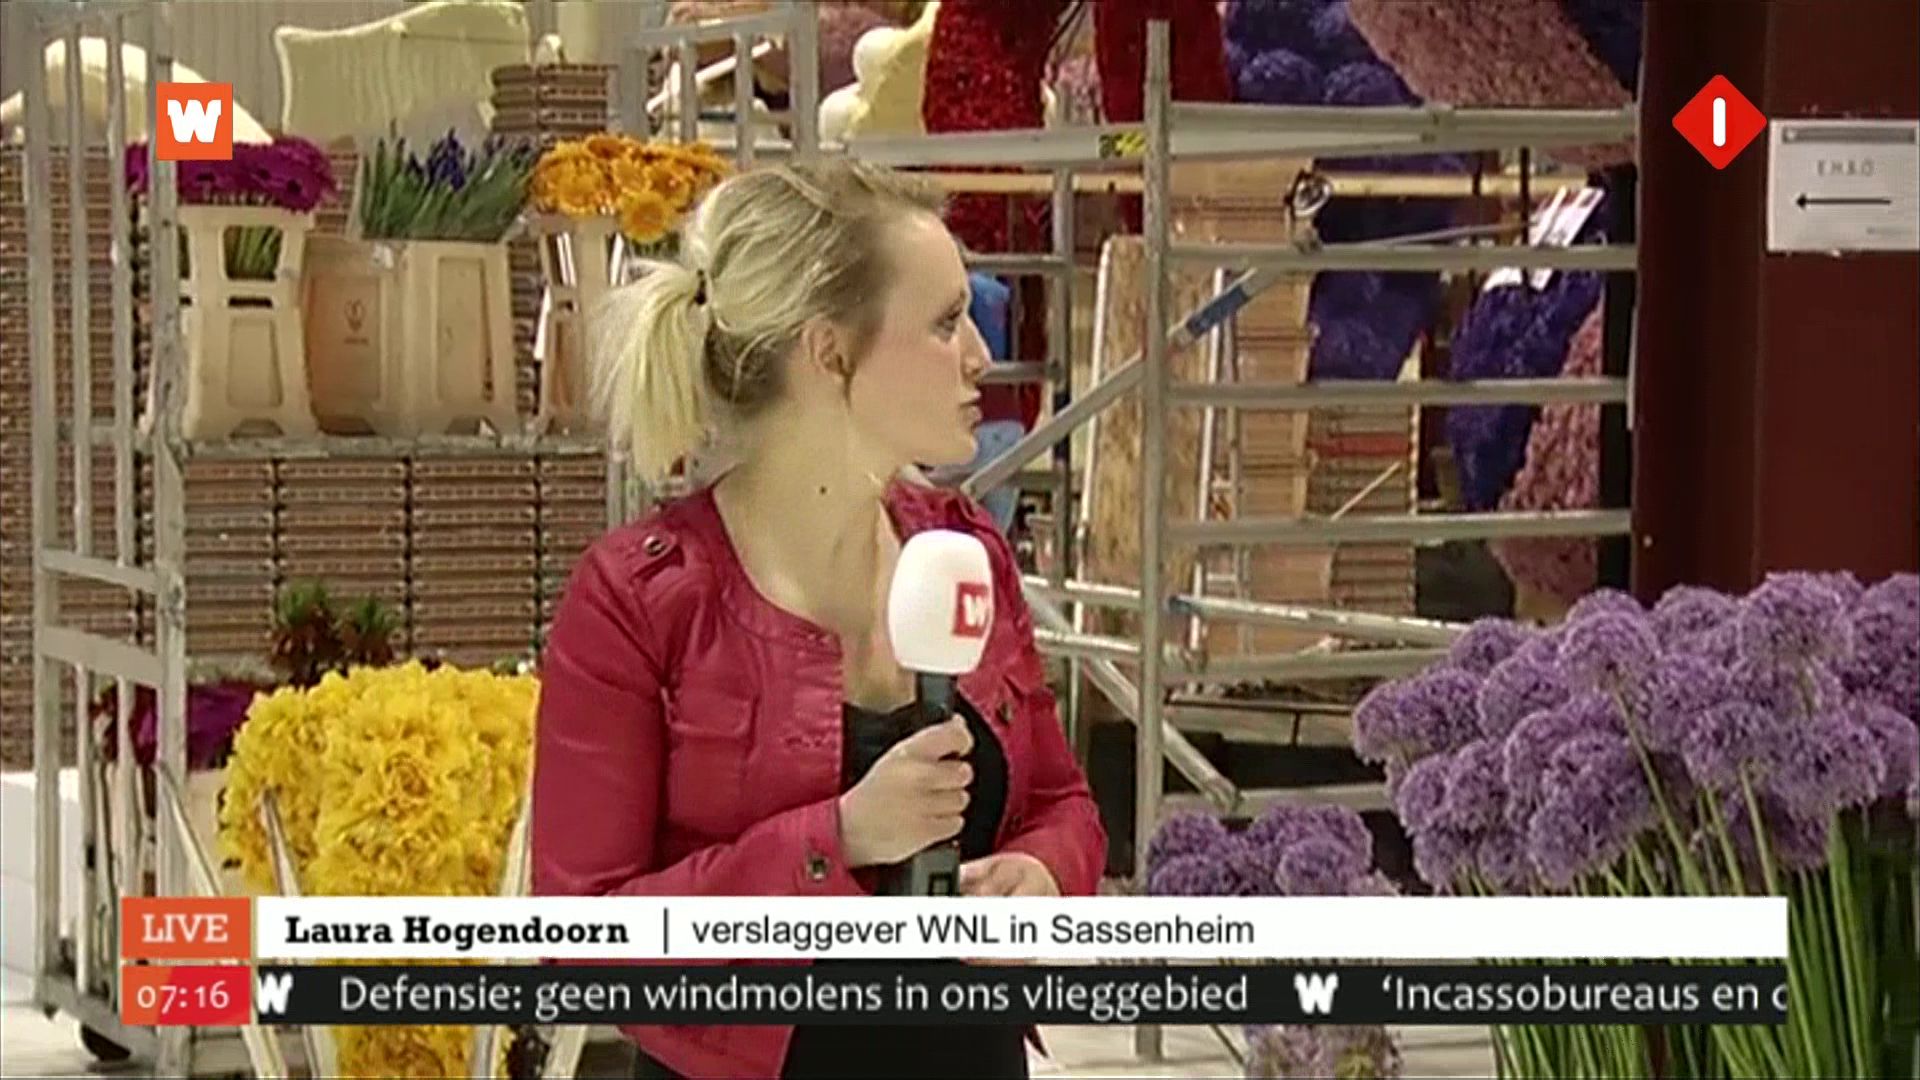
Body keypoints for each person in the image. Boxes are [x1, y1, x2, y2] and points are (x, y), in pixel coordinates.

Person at [531, 159, 1109, 1080]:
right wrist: (835, 841)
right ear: (830, 351)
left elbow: (1060, 802)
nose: (979, 356)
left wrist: (1041, 872)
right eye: (945, 322)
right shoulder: (638, 601)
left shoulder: (967, 549)